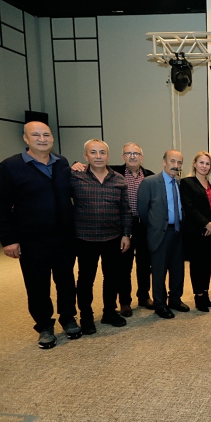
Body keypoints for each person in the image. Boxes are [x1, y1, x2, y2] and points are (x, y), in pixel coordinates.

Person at [0, 121, 81, 349]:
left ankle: (68, 318)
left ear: (52, 138)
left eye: (46, 135)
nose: (42, 139)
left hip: (64, 238)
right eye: (36, 135)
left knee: (66, 281)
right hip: (32, 240)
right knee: (37, 285)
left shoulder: (62, 163)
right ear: (26, 138)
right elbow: (1, 207)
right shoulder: (10, 166)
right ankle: (44, 326)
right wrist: (8, 240)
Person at [71, 141, 155, 315]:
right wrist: (75, 164)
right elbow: (88, 168)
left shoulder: (150, 176)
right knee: (123, 266)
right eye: (128, 153)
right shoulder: (115, 173)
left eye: (136, 153)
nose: (132, 156)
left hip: (144, 224)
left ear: (142, 157)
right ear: (122, 156)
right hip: (122, 225)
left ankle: (144, 295)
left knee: (144, 263)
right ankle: (124, 301)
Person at [71, 139, 132, 331]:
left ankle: (109, 312)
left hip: (112, 237)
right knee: (85, 279)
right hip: (85, 237)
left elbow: (125, 210)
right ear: (85, 156)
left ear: (108, 156)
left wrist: (126, 234)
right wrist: (72, 165)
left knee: (112, 277)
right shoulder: (75, 176)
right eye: (93, 152)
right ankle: (86, 316)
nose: (98, 156)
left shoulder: (119, 180)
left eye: (102, 152)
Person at [137, 150, 190, 319]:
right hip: (160, 233)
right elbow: (143, 210)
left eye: (179, 162)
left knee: (177, 269)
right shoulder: (150, 182)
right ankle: (160, 304)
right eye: (172, 161)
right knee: (159, 271)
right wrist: (156, 225)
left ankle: (175, 299)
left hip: (178, 232)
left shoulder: (180, 183)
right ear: (164, 162)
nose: (176, 165)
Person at [180, 151, 211, 312]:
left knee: (208, 264)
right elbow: (189, 207)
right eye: (201, 163)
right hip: (195, 231)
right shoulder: (187, 182)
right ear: (195, 164)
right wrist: (206, 224)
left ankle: (205, 292)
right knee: (197, 264)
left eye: (207, 163)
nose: (204, 166)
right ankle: (198, 295)